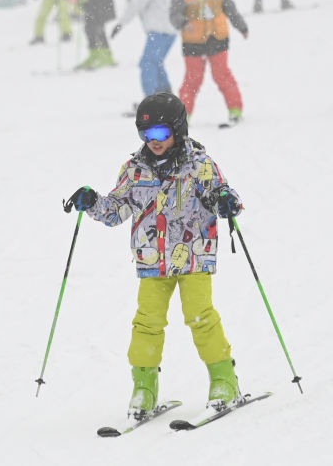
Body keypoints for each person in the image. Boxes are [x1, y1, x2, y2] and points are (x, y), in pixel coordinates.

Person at [63, 92, 245, 421]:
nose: (154, 141)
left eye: (161, 133)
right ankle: (144, 387)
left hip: (193, 255)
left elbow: (219, 191)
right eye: (146, 135)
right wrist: (92, 202)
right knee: (147, 323)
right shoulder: (134, 170)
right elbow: (115, 211)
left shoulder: (199, 164)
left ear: (178, 130)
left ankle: (224, 380)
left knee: (199, 315)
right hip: (152, 259)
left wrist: (225, 202)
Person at [171, 0, 249, 124]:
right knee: (192, 80)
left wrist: (241, 26)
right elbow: (174, 14)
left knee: (223, 76)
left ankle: (235, 110)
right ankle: (183, 117)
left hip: (217, 37)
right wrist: (184, 23)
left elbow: (230, 8)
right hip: (193, 41)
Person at [114, 0, 177, 96]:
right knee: (156, 61)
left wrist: (121, 24)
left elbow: (136, 3)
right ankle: (165, 95)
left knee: (147, 63)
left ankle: (151, 99)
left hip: (158, 28)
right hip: (172, 30)